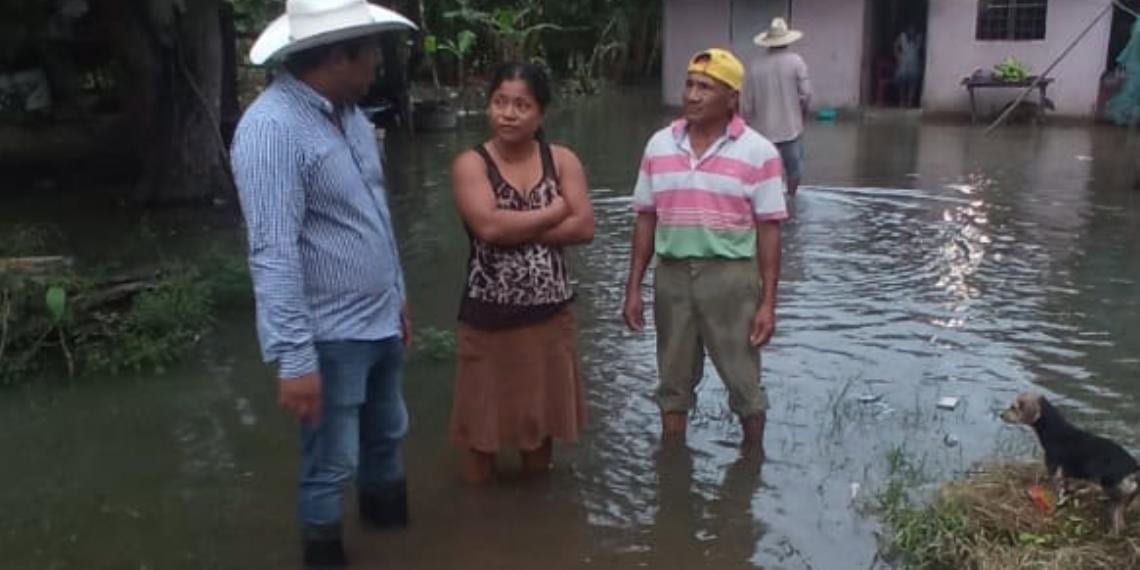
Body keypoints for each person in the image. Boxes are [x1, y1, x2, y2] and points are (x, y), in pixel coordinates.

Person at [229, 1, 416, 567]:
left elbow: (375, 212)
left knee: (388, 437)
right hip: (328, 335)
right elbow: (272, 250)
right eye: (371, 54)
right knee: (330, 463)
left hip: (380, 318)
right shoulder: (271, 129)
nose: (378, 65)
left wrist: (399, 295)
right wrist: (294, 360)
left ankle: (398, 543)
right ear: (339, 56)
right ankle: (325, 554)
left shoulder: (351, 116)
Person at [623, 48, 787, 455]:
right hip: (672, 275)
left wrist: (768, 302)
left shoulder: (759, 152)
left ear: (731, 98)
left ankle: (753, 462)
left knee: (744, 381)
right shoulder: (659, 145)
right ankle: (672, 464)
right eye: (690, 84)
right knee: (672, 381)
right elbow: (645, 218)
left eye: (706, 87)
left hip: (730, 278)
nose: (693, 95)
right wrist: (633, 288)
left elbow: (769, 232)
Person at [448, 63, 595, 484]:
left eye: (521, 105)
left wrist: (517, 227)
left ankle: (533, 526)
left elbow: (584, 227)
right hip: (488, 318)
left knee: (540, 427)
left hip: (550, 316)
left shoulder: (562, 159)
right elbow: (489, 227)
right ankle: (480, 528)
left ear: (541, 114)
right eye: (500, 102)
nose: (508, 113)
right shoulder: (471, 164)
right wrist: (553, 211)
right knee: (481, 430)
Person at [745, 17, 812, 196]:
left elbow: (747, 105)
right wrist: (802, 116)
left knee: (764, 174)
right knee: (794, 171)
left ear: (768, 42)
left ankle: (768, 203)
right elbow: (806, 94)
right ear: (787, 39)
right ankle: (791, 201)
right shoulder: (796, 61)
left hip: (763, 133)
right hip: (791, 129)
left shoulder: (755, 66)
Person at [894, 26, 923, 108]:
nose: (911, 31)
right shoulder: (902, 37)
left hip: (915, 64)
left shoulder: (919, 38)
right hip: (903, 64)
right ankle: (902, 101)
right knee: (902, 83)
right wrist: (898, 56)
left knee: (913, 83)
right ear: (907, 30)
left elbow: (922, 50)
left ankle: (910, 102)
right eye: (910, 30)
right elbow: (895, 46)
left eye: (913, 30)